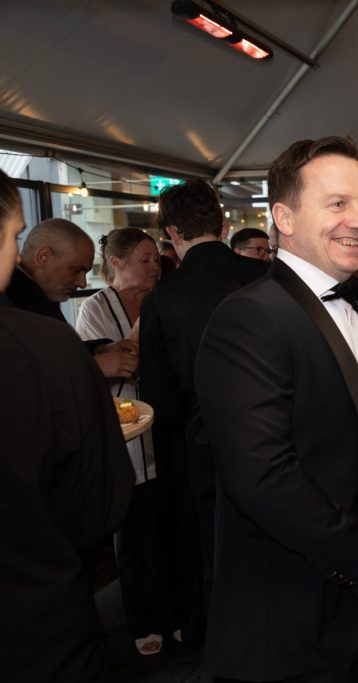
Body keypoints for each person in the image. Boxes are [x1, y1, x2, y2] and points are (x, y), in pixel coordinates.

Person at [194, 136, 358, 682]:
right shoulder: (249, 316)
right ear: (284, 218)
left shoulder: (351, 302)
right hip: (294, 617)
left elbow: (349, 423)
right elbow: (261, 475)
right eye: (337, 203)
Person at [0, 169, 135, 682]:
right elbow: (101, 497)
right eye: (13, 237)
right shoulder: (39, 341)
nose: (82, 282)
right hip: (37, 611)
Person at [139, 179, 269, 642]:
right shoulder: (264, 277)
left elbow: (158, 394)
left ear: (172, 232)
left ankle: (222, 635)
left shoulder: (162, 298)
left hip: (199, 437)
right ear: (223, 224)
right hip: (272, 429)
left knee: (210, 540)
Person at [75, 227, 171, 655]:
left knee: (167, 528)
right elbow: (116, 366)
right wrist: (129, 347)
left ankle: (176, 611)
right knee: (132, 536)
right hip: (125, 436)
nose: (154, 267)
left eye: (156, 259)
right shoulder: (96, 307)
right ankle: (143, 621)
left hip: (166, 428)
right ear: (115, 263)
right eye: (144, 260)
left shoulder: (162, 299)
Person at [6, 218, 138, 378]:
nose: (82, 283)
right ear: (43, 257)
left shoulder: (36, 293)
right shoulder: (9, 301)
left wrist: (100, 349)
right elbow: (16, 375)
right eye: (76, 270)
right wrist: (93, 366)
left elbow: (55, 351)